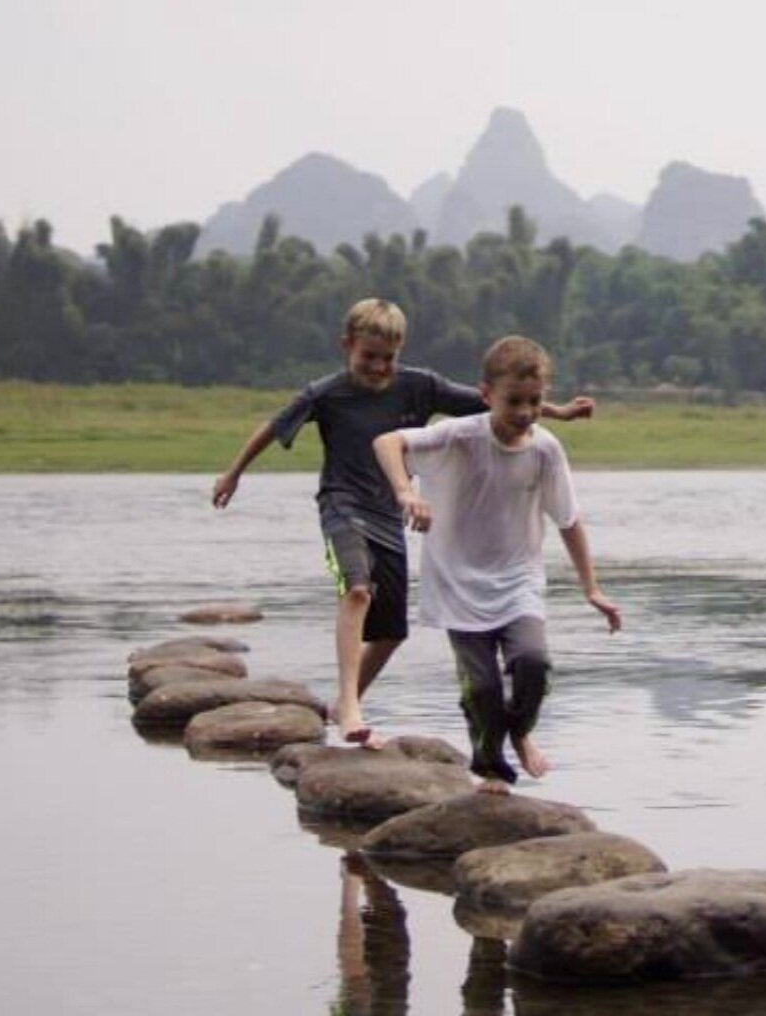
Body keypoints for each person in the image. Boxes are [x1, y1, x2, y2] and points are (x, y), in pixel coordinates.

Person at [211, 300, 592, 746]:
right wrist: (233, 472)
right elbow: (273, 428)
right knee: (357, 589)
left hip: (390, 514)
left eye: (387, 358)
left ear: (400, 350)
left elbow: (497, 401)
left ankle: (341, 706)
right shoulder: (325, 392)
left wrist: (560, 412)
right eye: (367, 357)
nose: (377, 367)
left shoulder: (419, 386)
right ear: (347, 346)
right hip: (343, 504)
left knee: (391, 632)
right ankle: (351, 706)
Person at [372, 335, 621, 791]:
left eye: (535, 402)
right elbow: (388, 442)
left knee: (533, 661)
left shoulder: (545, 449)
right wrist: (406, 492)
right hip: (458, 583)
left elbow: (569, 520)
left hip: (518, 582)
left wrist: (592, 588)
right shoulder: (460, 436)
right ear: (486, 396)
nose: (525, 413)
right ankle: (489, 765)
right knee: (483, 688)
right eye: (514, 402)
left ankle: (521, 731)